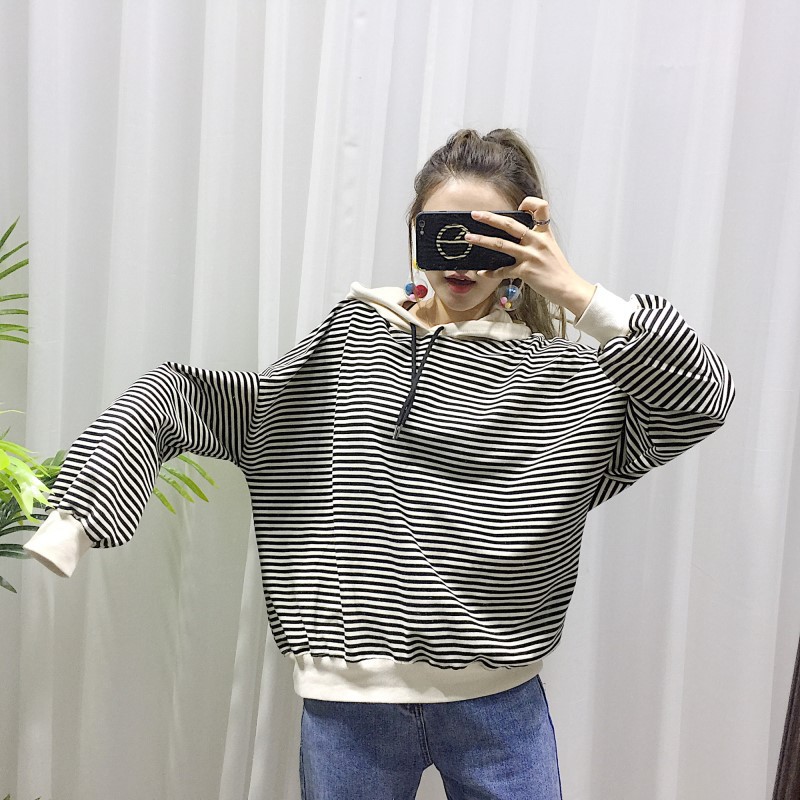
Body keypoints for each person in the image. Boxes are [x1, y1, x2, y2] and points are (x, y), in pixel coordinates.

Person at [24, 129, 735, 800]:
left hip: (500, 702)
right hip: (349, 707)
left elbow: (701, 402)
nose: (460, 257)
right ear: (413, 232)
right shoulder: (354, 343)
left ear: (524, 239)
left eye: (487, 235)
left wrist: (576, 293)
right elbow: (207, 401)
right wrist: (78, 512)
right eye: (442, 230)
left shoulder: (571, 380)